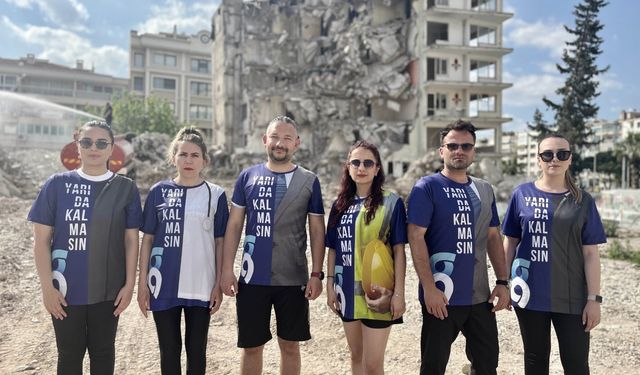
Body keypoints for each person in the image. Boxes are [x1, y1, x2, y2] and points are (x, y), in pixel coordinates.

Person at [28, 120, 142, 374]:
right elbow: (41, 241)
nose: (94, 148)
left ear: (112, 148)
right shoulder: (56, 184)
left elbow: (131, 240)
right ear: (77, 145)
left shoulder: (126, 188)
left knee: (103, 354)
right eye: (87, 142)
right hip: (64, 290)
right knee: (69, 355)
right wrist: (47, 289)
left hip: (109, 290)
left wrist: (129, 285)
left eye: (102, 143)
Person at [220, 115, 325, 375]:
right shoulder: (248, 177)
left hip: (293, 277)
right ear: (264, 140)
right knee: (252, 347)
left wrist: (316, 274)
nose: (280, 143)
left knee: (290, 346)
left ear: (297, 143)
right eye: (275, 137)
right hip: (252, 277)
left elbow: (316, 230)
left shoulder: (309, 180)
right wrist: (226, 269)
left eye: (287, 138)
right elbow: (234, 226)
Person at [406, 120, 510, 375]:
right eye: (452, 145)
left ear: (474, 152)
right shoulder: (427, 187)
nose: (459, 150)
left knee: (487, 366)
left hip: (480, 297)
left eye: (466, 146)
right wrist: (429, 289)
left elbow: (494, 237)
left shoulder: (484, 189)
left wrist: (503, 282)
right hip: (442, 297)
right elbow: (415, 237)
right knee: (433, 366)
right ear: (442, 150)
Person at [502, 134, 606, 375]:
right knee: (535, 361)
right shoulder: (521, 195)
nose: (555, 159)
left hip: (572, 298)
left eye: (562, 154)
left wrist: (594, 300)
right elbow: (511, 244)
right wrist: (502, 283)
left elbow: (591, 253)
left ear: (570, 160)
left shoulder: (583, 200)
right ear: (539, 159)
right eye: (547, 154)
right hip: (529, 294)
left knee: (577, 364)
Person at [137, 127, 229, 374]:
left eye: (195, 155)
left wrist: (218, 283)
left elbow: (221, 243)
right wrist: (142, 284)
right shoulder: (158, 191)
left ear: (204, 160)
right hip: (163, 284)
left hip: (202, 285)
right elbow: (147, 240)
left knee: (197, 351)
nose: (188, 160)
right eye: (183, 154)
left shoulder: (216, 195)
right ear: (173, 158)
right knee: (169, 351)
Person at [325, 140, 407, 374]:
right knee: (356, 356)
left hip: (378, 294)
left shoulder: (392, 203)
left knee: (372, 365)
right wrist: (330, 285)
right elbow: (333, 248)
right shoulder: (339, 205)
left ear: (377, 168)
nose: (361, 168)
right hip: (346, 291)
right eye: (356, 162)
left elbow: (399, 251)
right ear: (348, 167)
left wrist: (399, 294)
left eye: (368, 163)